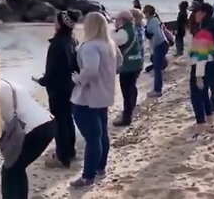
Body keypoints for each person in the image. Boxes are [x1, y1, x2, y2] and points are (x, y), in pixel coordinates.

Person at [69, 12, 123, 187]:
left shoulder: (90, 46)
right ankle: (100, 168)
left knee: (92, 137)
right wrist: (106, 78)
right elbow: (118, 64)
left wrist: (78, 79)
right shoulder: (110, 45)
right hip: (104, 94)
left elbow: (91, 70)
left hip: (87, 97)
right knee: (101, 134)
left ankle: (88, 176)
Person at [33, 10, 80, 169]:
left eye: (56, 20)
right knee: (68, 120)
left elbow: (52, 71)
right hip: (70, 86)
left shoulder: (57, 44)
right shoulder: (72, 40)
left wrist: (41, 81)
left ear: (61, 24)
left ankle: (62, 156)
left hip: (58, 89)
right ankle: (70, 152)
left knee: (60, 121)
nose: (54, 23)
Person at [0, 80, 56, 199]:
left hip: (33, 130)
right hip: (48, 123)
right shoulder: (6, 82)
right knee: (17, 167)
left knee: (10, 170)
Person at [188, 3, 214, 136]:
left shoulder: (203, 32)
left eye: (196, 12)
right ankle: (209, 120)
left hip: (202, 66)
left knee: (196, 96)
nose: (193, 15)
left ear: (203, 13)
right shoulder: (212, 28)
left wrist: (198, 76)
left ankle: (200, 126)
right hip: (212, 65)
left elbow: (201, 56)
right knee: (204, 94)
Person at [112, 11, 144, 126]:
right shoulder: (133, 29)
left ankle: (127, 117)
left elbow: (111, 41)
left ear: (123, 20)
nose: (115, 22)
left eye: (117, 19)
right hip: (136, 64)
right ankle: (130, 109)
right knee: (131, 89)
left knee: (126, 92)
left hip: (128, 66)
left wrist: (114, 29)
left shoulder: (123, 32)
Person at [144, 4, 169, 97]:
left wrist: (155, 47)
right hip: (161, 45)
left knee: (157, 69)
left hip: (160, 45)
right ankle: (157, 88)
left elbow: (158, 36)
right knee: (157, 65)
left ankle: (157, 90)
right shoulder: (152, 20)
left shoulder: (153, 21)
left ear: (147, 13)